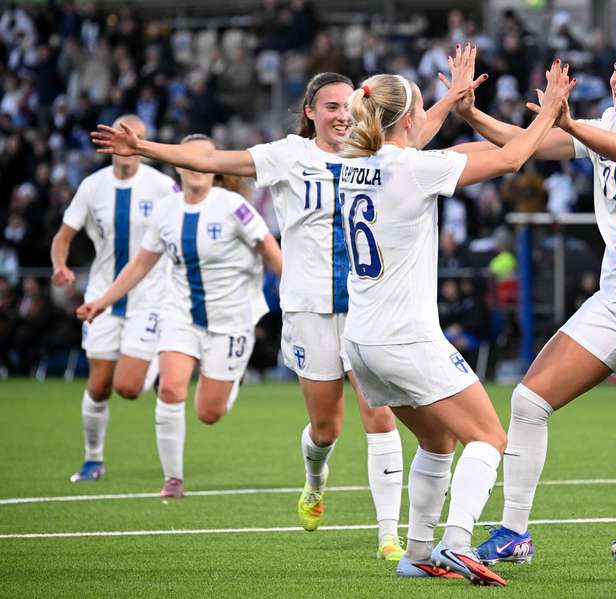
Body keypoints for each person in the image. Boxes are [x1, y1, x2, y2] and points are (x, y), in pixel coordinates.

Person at [90, 69, 458, 558]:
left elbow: (413, 131)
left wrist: (451, 97)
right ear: (309, 112)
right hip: (308, 311)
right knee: (326, 429)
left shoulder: (371, 155)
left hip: (368, 311)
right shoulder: (287, 156)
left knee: (380, 418)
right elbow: (215, 159)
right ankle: (314, 479)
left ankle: (388, 534)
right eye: (330, 106)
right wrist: (147, 149)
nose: (341, 115)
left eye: (349, 106)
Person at [454, 38, 616, 582]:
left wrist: (570, 124)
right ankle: (515, 533)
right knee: (528, 401)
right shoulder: (603, 124)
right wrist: (471, 113)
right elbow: (529, 145)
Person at [338, 52, 574, 586]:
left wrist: (450, 100)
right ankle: (457, 542)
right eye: (422, 109)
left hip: (361, 341)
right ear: (406, 121)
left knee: (437, 441)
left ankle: (418, 551)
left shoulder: (354, 164)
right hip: (405, 338)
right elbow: (513, 159)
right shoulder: (416, 168)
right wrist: (550, 110)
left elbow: (418, 138)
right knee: (490, 438)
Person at [76, 134, 283, 498]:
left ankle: (233, 379)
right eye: (188, 158)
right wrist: (103, 301)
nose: (196, 165)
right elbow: (141, 264)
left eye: (204, 158)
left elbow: (270, 249)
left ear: (214, 166)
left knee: (209, 413)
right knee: (170, 388)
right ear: (178, 164)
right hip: (181, 314)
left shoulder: (234, 206)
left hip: (231, 320)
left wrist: (298, 291)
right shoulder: (165, 210)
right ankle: (173, 480)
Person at [50, 114, 176, 483]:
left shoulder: (162, 186)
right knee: (100, 384)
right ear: (109, 142)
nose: (128, 142)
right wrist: (60, 265)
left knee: (129, 388)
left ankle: (155, 356)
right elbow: (62, 237)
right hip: (102, 297)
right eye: (122, 134)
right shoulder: (92, 187)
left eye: (136, 136)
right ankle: (93, 459)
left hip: (150, 298)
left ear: (144, 144)